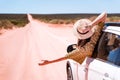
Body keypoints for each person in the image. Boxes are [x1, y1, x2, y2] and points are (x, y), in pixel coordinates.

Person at [39, 12, 107, 65]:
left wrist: (48, 62)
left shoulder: (82, 51)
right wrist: (91, 25)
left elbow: (65, 57)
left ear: (79, 35)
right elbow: (104, 14)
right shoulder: (96, 33)